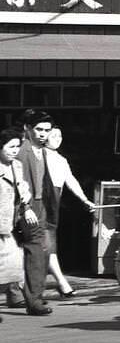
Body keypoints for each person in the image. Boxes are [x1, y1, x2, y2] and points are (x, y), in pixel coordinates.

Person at [8, 110, 54, 315]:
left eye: (47, 130)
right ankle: (34, 300)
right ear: (27, 129)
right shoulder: (21, 150)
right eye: (39, 129)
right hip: (24, 206)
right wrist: (25, 208)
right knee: (36, 249)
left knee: (29, 249)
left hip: (39, 204)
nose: (43, 134)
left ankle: (17, 293)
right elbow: (17, 182)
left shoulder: (41, 150)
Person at [43, 127, 94, 298]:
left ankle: (24, 286)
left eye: (60, 135)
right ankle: (62, 282)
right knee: (47, 244)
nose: (57, 138)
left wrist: (85, 199)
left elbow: (70, 180)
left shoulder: (61, 160)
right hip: (40, 204)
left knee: (46, 244)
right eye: (53, 135)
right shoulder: (38, 155)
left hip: (53, 204)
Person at [1, 129, 31, 314]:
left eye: (17, 147)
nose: (14, 150)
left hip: (8, 222)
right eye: (10, 147)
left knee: (14, 264)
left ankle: (16, 295)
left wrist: (25, 201)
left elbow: (22, 188)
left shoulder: (17, 166)